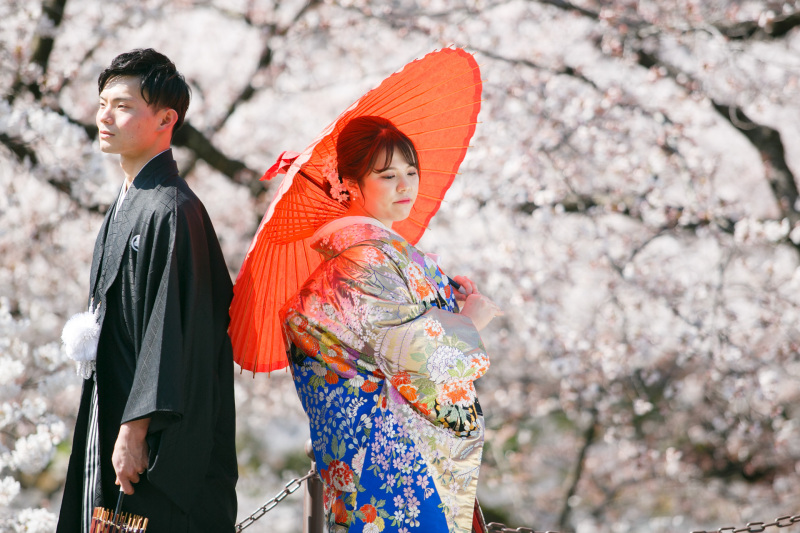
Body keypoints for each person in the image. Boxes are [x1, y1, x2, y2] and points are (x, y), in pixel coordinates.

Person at [280, 116, 502, 533]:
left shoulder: (369, 256)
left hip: (385, 455)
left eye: (411, 172)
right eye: (387, 175)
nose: (405, 186)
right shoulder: (366, 260)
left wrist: (445, 303)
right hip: (395, 460)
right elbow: (415, 357)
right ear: (349, 182)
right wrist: (469, 322)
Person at [57, 49, 238, 533]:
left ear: (165, 118)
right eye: (101, 103)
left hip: (151, 446)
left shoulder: (172, 210)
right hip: (110, 414)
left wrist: (135, 431)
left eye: (122, 105)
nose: (104, 116)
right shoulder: (129, 205)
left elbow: (173, 333)